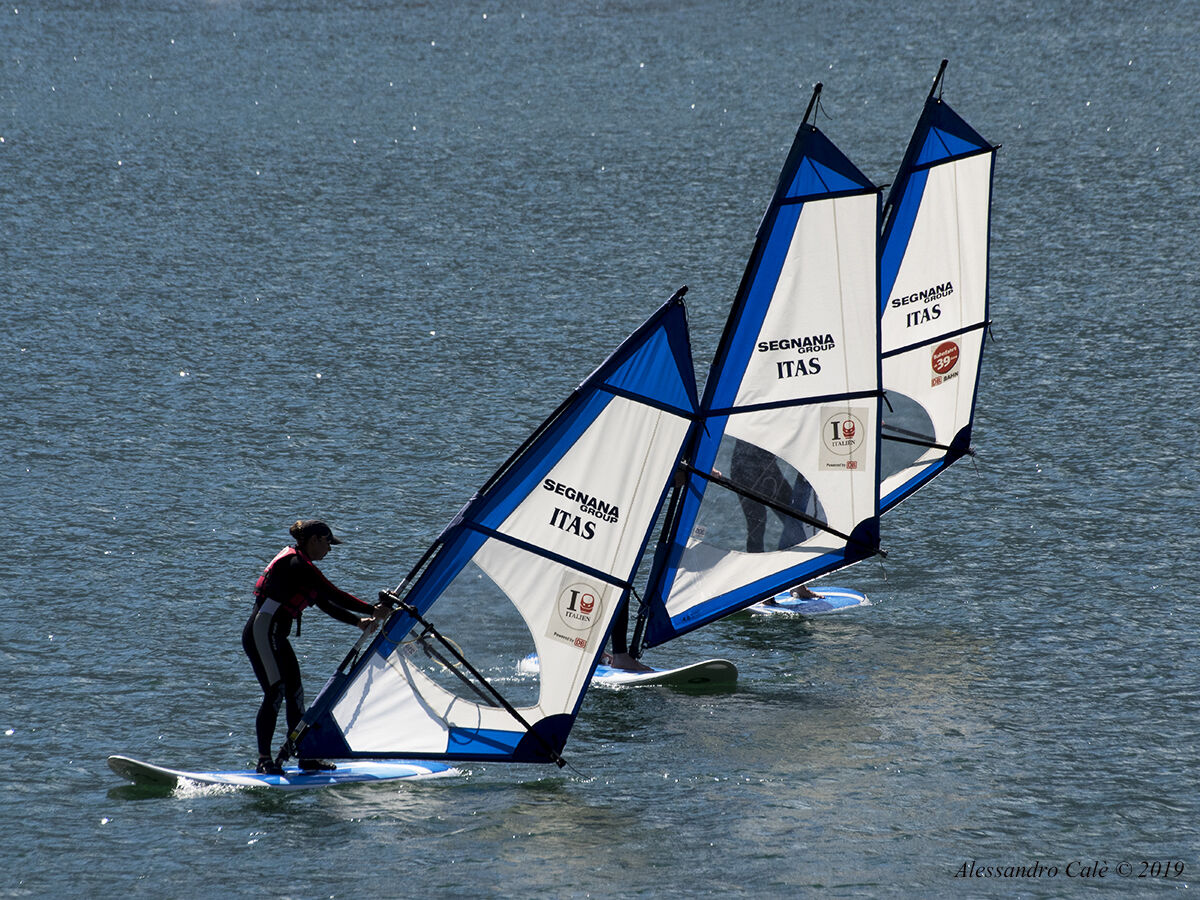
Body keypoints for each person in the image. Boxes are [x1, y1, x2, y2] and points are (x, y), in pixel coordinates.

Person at [242, 519, 379, 774]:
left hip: (276, 637)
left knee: (294, 693)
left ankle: (305, 755)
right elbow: (333, 593)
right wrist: (372, 609)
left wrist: (358, 621)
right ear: (314, 539)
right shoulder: (297, 564)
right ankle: (264, 760)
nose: (329, 550)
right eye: (328, 543)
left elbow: (325, 603)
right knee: (275, 692)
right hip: (261, 633)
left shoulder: (302, 567)